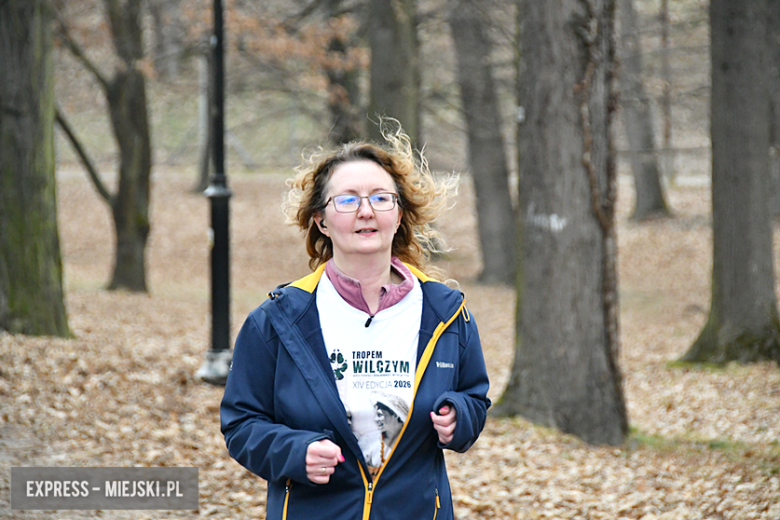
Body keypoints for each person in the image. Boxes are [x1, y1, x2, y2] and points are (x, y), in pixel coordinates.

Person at [220, 121, 491, 520]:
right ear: (321, 220)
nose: (366, 211)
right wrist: (295, 452)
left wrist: (460, 417)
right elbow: (241, 423)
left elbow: (475, 398)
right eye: (347, 200)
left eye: (381, 198)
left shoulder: (446, 313)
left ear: (399, 215)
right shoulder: (279, 319)